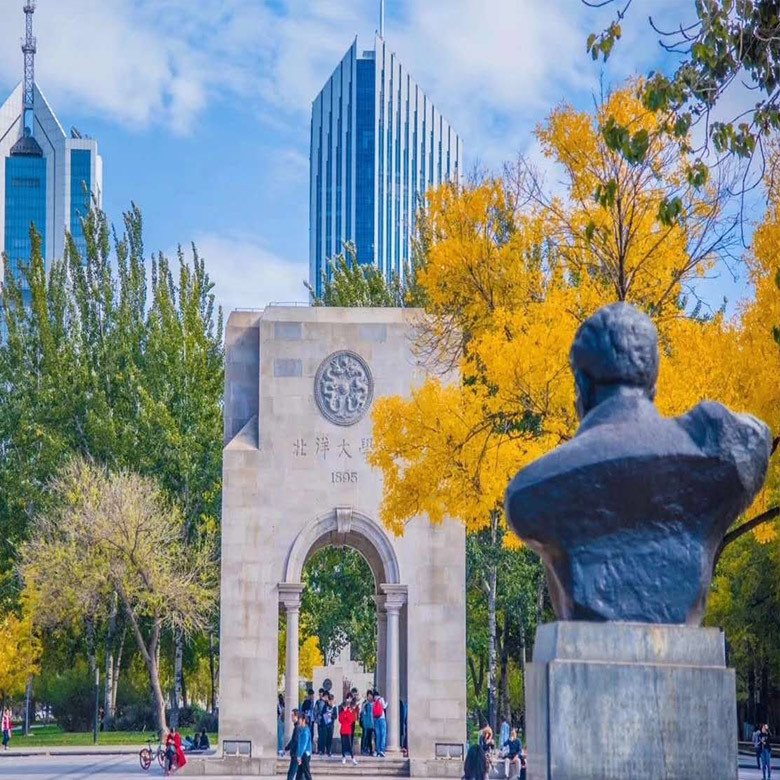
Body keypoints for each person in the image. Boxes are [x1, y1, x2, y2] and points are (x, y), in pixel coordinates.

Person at [338, 699, 358, 765]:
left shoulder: (349, 712)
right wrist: (345, 717)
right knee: (343, 744)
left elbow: (351, 720)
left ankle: (352, 757)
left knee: (349, 744)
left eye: (345, 706)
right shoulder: (341, 713)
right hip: (343, 730)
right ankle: (343, 757)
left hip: (348, 730)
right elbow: (340, 720)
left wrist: (345, 717)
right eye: (344, 706)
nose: (344, 708)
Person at [296, 712, 313, 780]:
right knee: (299, 774)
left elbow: (303, 745)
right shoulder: (302, 729)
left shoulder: (305, 731)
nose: (298, 721)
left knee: (306, 773)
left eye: (299, 719)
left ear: (303, 720)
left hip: (305, 754)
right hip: (303, 754)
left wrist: (299, 756)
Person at [285, 708, 300, 780]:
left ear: (296, 716)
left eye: (292, 715)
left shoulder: (297, 727)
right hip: (296, 753)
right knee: (299, 774)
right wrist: (287, 747)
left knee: (291, 773)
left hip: (296, 754)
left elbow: (296, 741)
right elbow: (293, 740)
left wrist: (292, 751)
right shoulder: (296, 727)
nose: (291, 717)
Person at [372, 689, 387, 757]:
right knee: (383, 735)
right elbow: (384, 707)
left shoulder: (373, 702)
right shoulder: (381, 699)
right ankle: (382, 750)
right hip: (382, 719)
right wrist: (387, 703)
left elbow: (372, 713)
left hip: (376, 720)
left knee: (378, 736)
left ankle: (378, 751)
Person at [360, 690, 375, 755]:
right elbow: (362, 712)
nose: (369, 697)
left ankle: (373, 750)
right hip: (366, 724)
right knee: (366, 737)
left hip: (373, 723)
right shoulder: (365, 704)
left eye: (370, 696)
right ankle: (366, 749)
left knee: (373, 737)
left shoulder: (374, 703)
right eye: (368, 696)